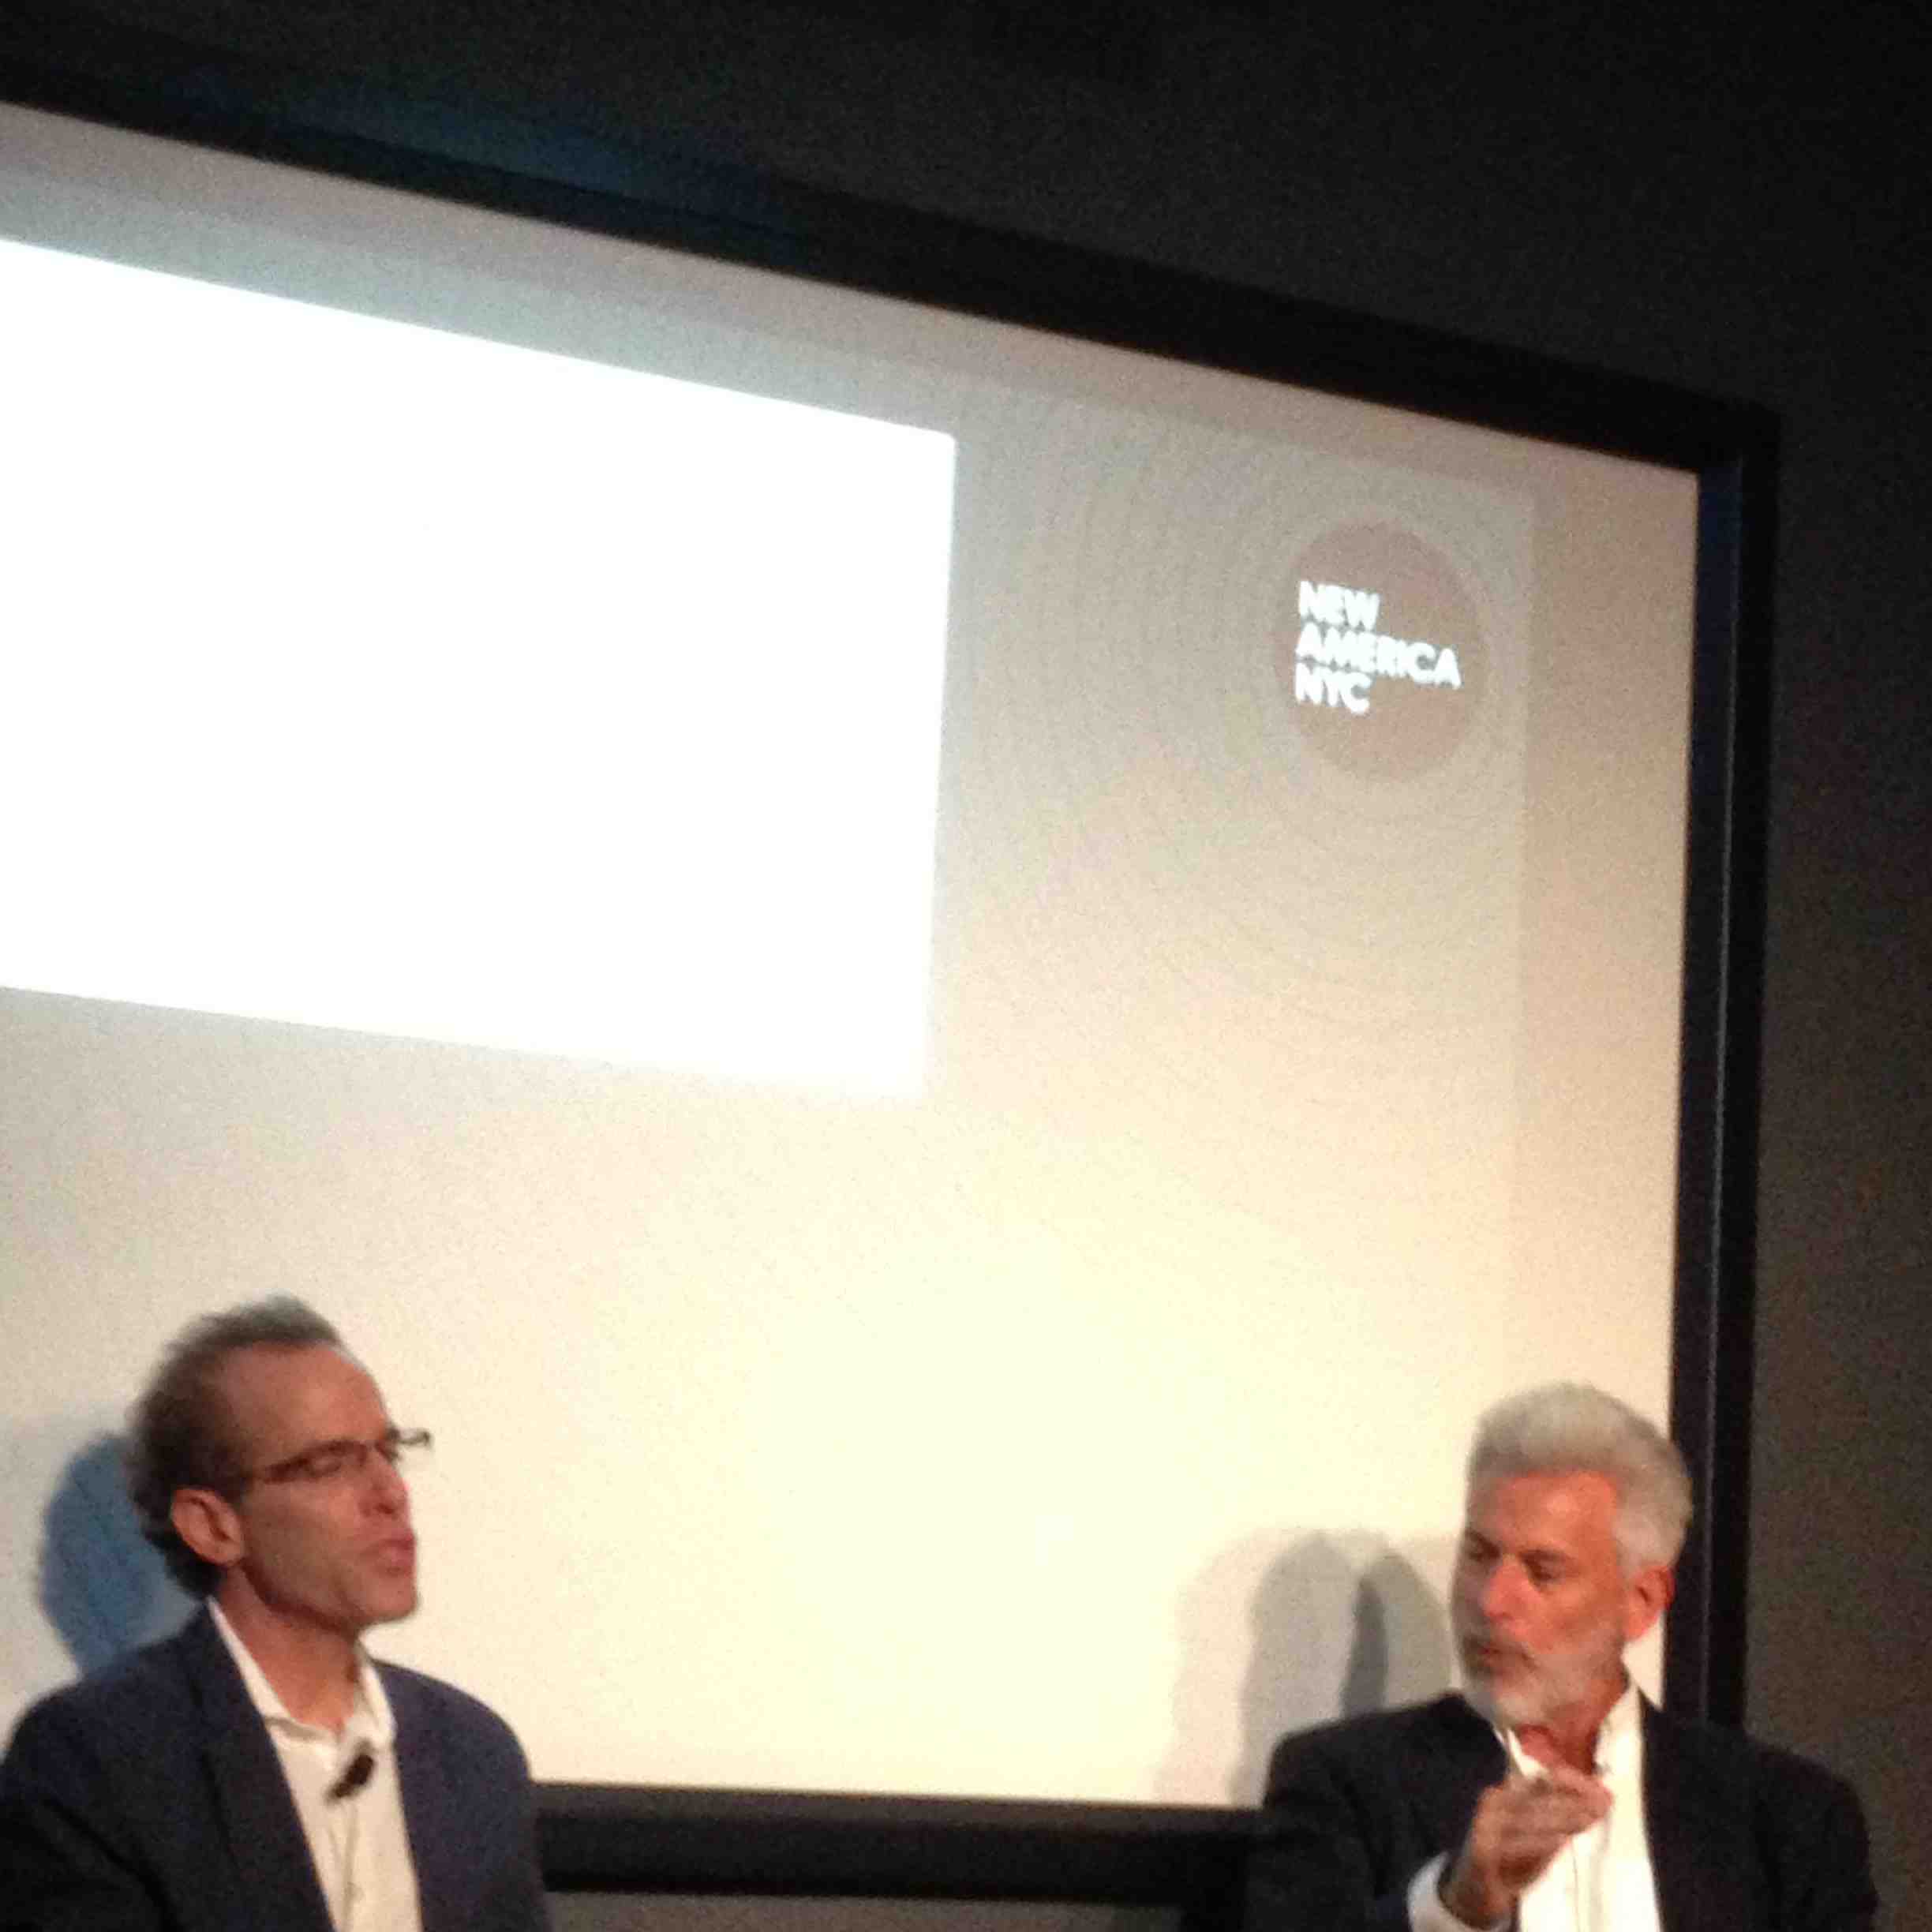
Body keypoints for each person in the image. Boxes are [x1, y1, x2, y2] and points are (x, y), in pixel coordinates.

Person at [0, 1297, 549, 1931]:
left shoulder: (473, 1753)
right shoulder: (96, 1759)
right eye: (331, 1464)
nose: (391, 1493)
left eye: (389, 1452)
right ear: (213, 1526)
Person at [1244, 1383, 1876, 1930]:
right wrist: (1454, 1906)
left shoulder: (1787, 1816)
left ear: (1641, 1601)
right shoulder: (1345, 1782)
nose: (1492, 1601)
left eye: (1543, 1571)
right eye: (1479, 1555)